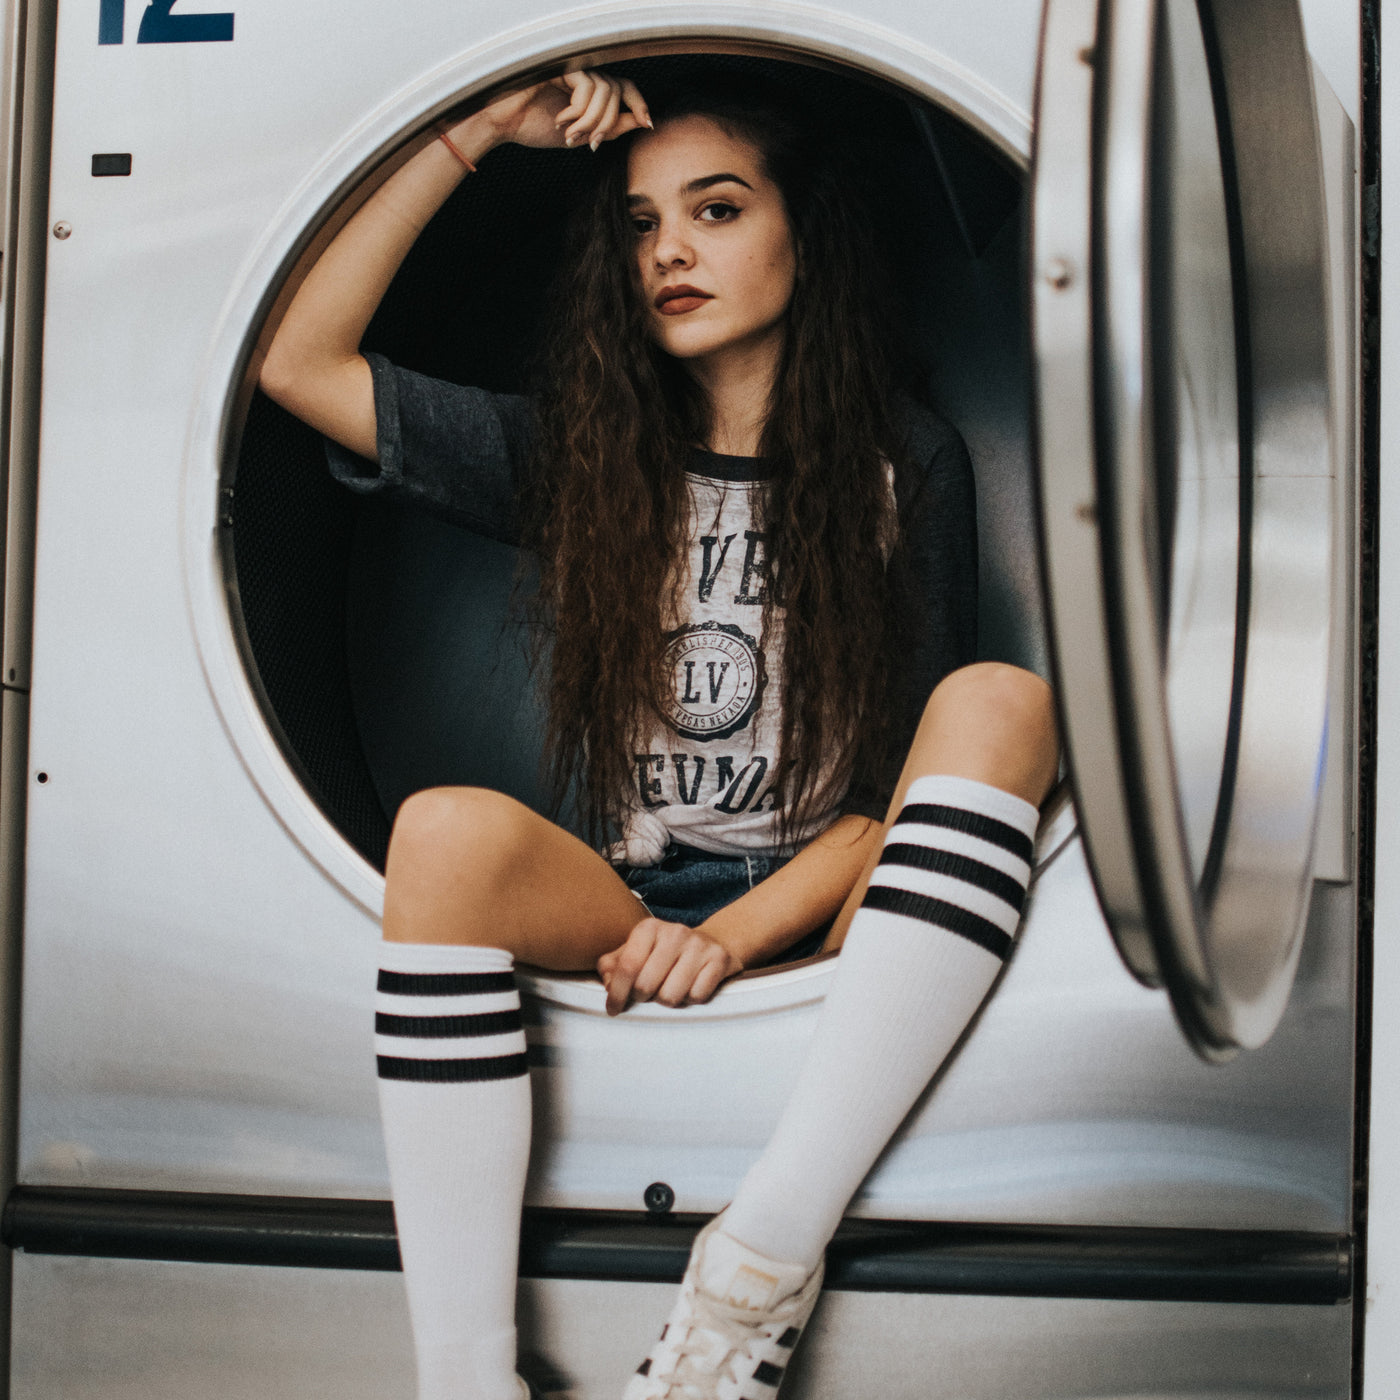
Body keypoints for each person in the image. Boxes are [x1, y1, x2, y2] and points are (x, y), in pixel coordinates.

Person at [260, 66, 1058, 1400]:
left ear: (806, 233)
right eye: (639, 225)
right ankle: (465, 1380)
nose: (671, 252)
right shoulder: (588, 460)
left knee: (998, 703)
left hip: (837, 912)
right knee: (441, 834)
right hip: (628, 900)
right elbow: (297, 362)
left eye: (718, 209)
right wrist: (470, 129)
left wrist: (736, 938)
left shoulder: (902, 465)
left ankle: (751, 1278)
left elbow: (878, 802)